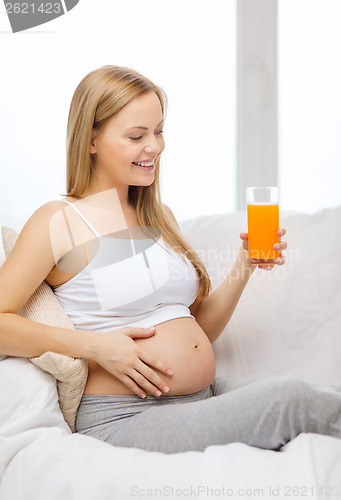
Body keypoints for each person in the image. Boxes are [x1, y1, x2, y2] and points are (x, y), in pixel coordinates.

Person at [1, 65, 341, 455]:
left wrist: (244, 265)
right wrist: (94, 346)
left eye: (159, 131)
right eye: (136, 136)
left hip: (200, 397)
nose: (155, 147)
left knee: (321, 391)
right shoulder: (61, 220)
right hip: (126, 416)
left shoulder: (158, 216)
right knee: (292, 400)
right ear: (91, 139)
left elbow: (198, 329)